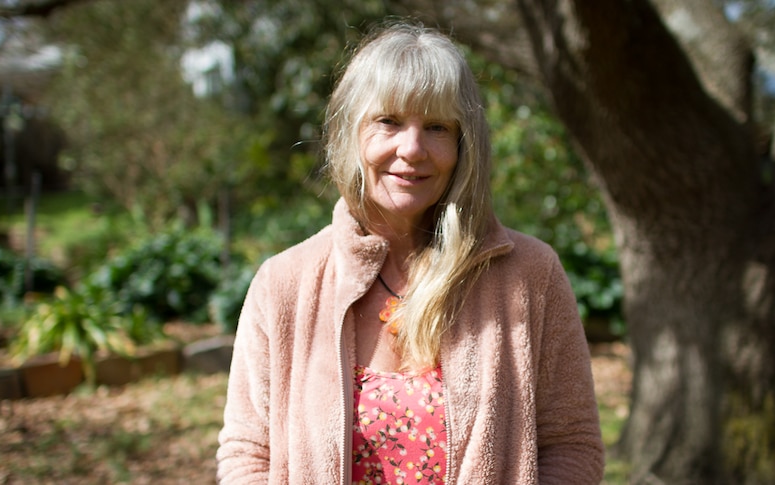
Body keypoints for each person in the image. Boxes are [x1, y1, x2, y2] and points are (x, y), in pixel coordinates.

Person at [217, 21, 605, 484]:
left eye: (437, 126)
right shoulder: (283, 284)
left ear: (464, 144)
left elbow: (571, 447)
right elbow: (247, 456)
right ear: (350, 132)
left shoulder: (531, 275)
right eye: (389, 121)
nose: (413, 148)